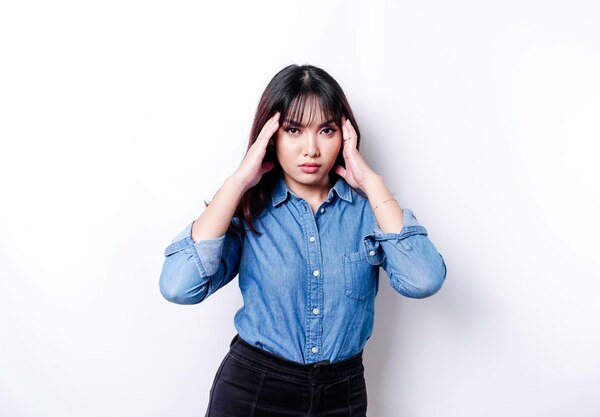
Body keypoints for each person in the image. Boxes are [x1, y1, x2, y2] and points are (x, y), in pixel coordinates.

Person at [159, 64, 447, 417]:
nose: (310, 149)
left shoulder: (368, 212)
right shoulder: (250, 208)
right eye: (293, 130)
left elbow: (424, 279)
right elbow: (178, 286)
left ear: (345, 135)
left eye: (325, 130)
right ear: (271, 138)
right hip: (254, 393)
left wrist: (372, 183)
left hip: (342, 396)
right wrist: (238, 182)